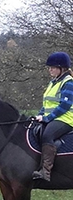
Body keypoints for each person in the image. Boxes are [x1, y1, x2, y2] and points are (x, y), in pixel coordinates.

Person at [32, 52, 73, 182]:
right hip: (55, 117)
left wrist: (47, 119)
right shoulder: (53, 82)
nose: (50, 70)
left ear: (62, 68)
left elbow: (65, 105)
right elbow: (47, 103)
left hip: (66, 118)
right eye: (49, 67)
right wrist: (40, 115)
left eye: (53, 67)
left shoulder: (68, 82)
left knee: (47, 134)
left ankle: (45, 171)